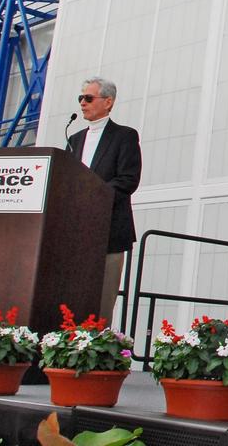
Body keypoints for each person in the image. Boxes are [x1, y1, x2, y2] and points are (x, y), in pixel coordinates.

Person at [67, 77, 142, 321]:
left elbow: (128, 180)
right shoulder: (74, 139)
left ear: (108, 102)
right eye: (81, 98)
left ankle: (96, 350)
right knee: (71, 297)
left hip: (109, 232)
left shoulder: (125, 136)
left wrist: (93, 196)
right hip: (76, 233)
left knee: (101, 301)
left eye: (88, 98)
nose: (82, 103)